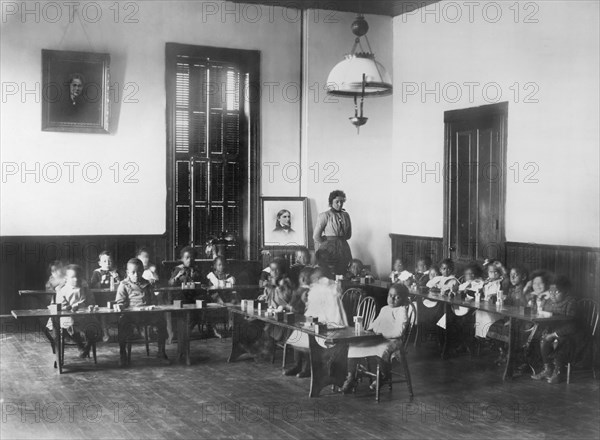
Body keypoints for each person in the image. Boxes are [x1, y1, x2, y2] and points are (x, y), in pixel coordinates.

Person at [342, 284, 412, 393]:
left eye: (397, 297)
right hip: (379, 338)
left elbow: (399, 332)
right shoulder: (384, 309)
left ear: (403, 299)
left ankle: (384, 376)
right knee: (354, 345)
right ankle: (351, 376)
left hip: (393, 340)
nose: (392, 299)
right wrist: (368, 332)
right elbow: (375, 324)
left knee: (382, 350)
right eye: (390, 295)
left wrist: (381, 334)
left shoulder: (401, 311)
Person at [285, 269, 348, 378]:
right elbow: (312, 307)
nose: (314, 281)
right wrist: (306, 302)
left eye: (317, 278)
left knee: (311, 337)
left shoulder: (330, 289)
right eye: (313, 279)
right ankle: (297, 365)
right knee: (298, 333)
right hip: (315, 319)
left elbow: (333, 311)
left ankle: (309, 368)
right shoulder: (315, 290)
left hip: (329, 322)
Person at [116, 258, 169, 367]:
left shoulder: (147, 284)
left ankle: (161, 352)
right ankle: (122, 354)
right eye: (133, 272)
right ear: (127, 273)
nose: (136, 274)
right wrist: (122, 306)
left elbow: (153, 300)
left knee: (161, 321)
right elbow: (120, 302)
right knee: (122, 323)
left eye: (139, 272)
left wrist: (153, 305)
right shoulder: (124, 284)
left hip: (146, 314)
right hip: (131, 314)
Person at [531, 275, 578, 384]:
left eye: (556, 292)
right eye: (551, 292)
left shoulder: (571, 302)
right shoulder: (550, 301)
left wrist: (553, 334)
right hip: (556, 330)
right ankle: (548, 369)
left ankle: (559, 371)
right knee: (543, 339)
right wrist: (541, 299)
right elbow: (543, 313)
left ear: (565, 291)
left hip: (572, 334)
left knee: (560, 342)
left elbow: (572, 326)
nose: (552, 295)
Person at [53, 264, 99, 358]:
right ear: (66, 278)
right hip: (69, 316)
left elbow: (92, 302)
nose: (76, 279)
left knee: (94, 325)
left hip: (85, 316)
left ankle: (88, 346)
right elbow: (61, 306)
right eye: (73, 277)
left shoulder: (86, 290)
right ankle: (80, 346)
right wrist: (70, 307)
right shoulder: (62, 290)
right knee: (71, 325)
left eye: (78, 277)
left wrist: (90, 306)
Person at [313, 190, 352, 275]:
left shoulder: (346, 215)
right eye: (337, 202)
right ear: (331, 202)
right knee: (328, 272)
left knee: (343, 271)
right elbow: (316, 236)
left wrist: (340, 241)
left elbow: (348, 235)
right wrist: (327, 243)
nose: (339, 204)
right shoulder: (325, 215)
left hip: (343, 248)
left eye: (341, 202)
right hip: (329, 249)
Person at [90, 250, 120, 342]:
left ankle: (120, 332)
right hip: (101, 298)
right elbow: (92, 285)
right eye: (104, 261)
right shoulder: (97, 272)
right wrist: (101, 282)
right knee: (103, 314)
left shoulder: (115, 271)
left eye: (109, 261)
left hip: (113, 296)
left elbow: (120, 284)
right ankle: (105, 333)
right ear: (99, 263)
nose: (107, 263)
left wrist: (117, 278)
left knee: (118, 311)